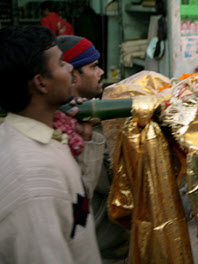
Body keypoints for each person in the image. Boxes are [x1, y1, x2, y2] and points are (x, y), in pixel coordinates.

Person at [0, 25, 100, 263]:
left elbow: (75, 209)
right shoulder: (33, 179)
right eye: (62, 64)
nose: (69, 70)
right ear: (41, 83)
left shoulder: (43, 135)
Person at [57, 35, 130, 261]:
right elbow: (121, 184)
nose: (100, 73)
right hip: (100, 251)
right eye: (94, 67)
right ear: (72, 76)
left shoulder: (90, 123)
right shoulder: (74, 133)